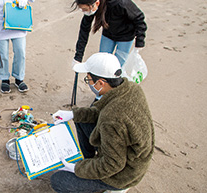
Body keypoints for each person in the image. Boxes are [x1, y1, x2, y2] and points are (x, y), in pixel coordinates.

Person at [50, 53, 154, 193]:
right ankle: (89, 163)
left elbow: (113, 165)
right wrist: (72, 114)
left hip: (124, 173)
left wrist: (77, 169)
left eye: (89, 80)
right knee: (82, 119)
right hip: (131, 154)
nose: (89, 83)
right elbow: (99, 111)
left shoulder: (112, 119)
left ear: (101, 83)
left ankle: (104, 182)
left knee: (59, 180)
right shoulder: (131, 88)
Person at [72, 0, 147, 67]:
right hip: (108, 33)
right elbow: (84, 30)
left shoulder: (120, 2)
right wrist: (78, 58)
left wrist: (139, 42)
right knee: (102, 64)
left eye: (85, 9)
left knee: (117, 67)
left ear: (97, 3)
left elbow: (139, 17)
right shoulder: (91, 7)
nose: (84, 12)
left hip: (125, 36)